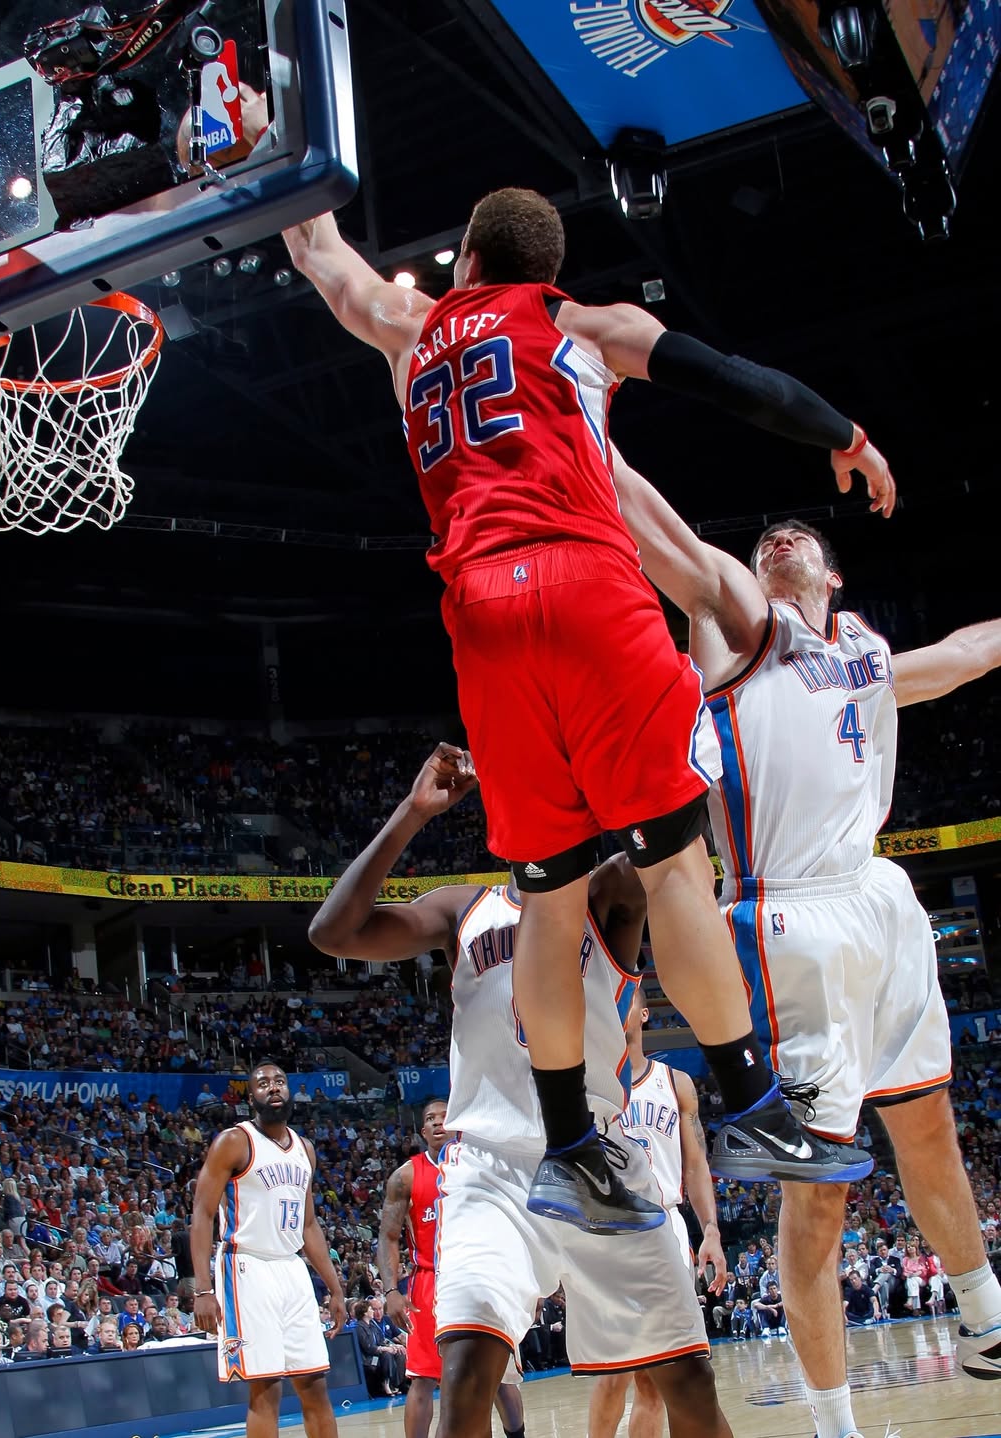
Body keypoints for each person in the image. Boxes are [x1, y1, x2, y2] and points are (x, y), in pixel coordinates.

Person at [283, 189, 891, 1229]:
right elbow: (731, 380)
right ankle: (753, 1105)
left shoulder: (407, 323)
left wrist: (261, 151)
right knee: (671, 867)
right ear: (543, 269)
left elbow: (320, 250)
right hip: (586, 589)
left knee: (549, 901)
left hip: (481, 617)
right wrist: (846, 435)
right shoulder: (578, 322)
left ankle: (569, 1145)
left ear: (466, 257)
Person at [605, 453, 1001, 1430]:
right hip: (788, 920)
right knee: (817, 1196)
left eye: (800, 538)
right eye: (765, 543)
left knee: (928, 1128)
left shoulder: (865, 654)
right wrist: (585, 429)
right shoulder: (740, 629)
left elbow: (963, 653)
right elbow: (672, 546)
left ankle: (986, 1313)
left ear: (833, 575)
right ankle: (834, 1423)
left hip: (880, 899)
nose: (780, 539)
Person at [310, 750, 734, 1438]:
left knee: (688, 1384)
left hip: (598, 1156)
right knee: (465, 1376)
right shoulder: (465, 908)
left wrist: (641, 751)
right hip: (491, 1169)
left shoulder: (609, 892)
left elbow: (676, 832)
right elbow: (332, 933)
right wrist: (413, 812)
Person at [588, 987, 728, 1438]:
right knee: (613, 1372)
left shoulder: (675, 1083)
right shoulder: (588, 1083)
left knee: (658, 1377)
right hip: (610, 1229)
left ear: (644, 1014)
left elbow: (696, 1164)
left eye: (626, 996)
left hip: (666, 1223)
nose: (616, 1003)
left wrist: (710, 1230)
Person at [190, 1060, 346, 1438]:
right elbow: (202, 1213)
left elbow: (308, 1225)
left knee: (314, 1382)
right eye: (263, 1083)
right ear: (251, 1097)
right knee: (266, 1388)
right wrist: (203, 1290)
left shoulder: (305, 1149)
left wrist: (336, 1289)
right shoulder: (234, 1141)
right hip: (247, 1266)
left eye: (279, 1081)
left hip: (291, 1267)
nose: (273, 1087)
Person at [378, 1098, 525, 1438]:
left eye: (444, 1116)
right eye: (430, 1118)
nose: (438, 1122)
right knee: (422, 1378)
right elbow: (387, 1236)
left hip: (481, 1276)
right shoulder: (406, 1175)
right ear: (422, 1131)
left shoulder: (482, 1165)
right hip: (429, 1283)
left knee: (498, 1379)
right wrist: (391, 1291)